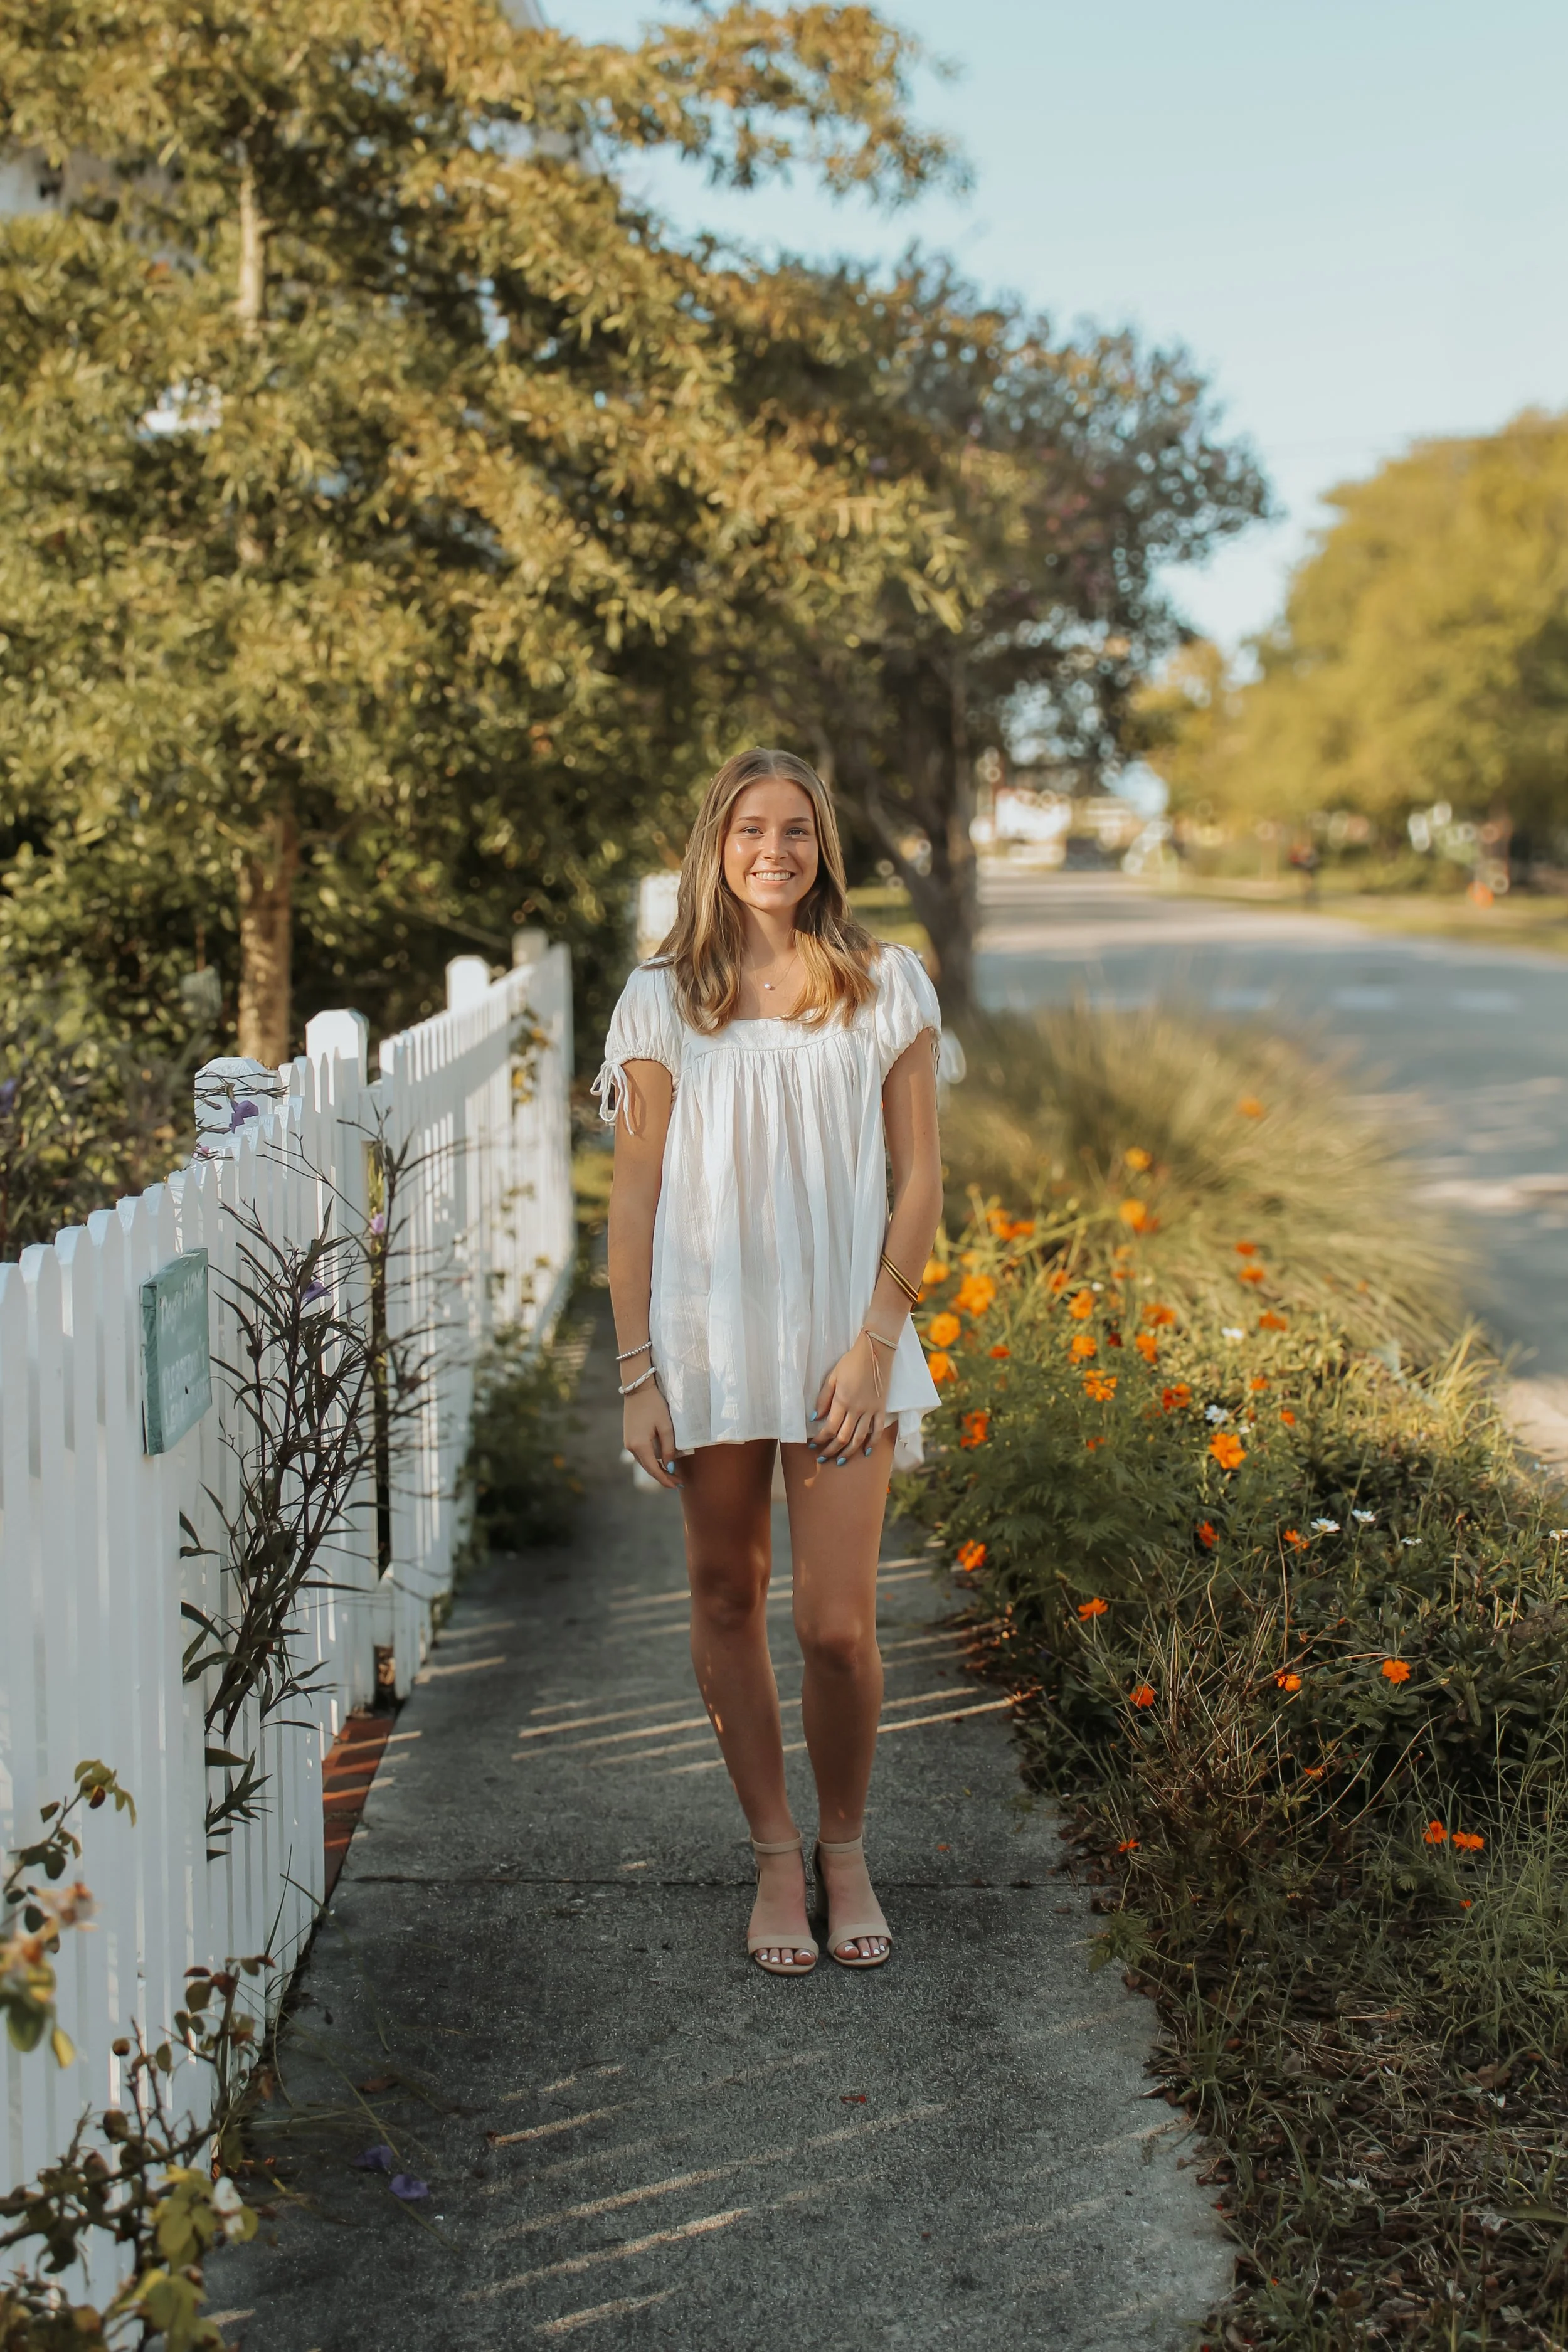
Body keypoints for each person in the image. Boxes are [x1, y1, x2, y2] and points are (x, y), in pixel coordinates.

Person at [596, 748, 945, 1975]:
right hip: (704, 1350)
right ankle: (771, 1855)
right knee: (726, 1599)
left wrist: (872, 1347)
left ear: (820, 849)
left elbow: (920, 1190)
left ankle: (843, 1849)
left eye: (794, 831)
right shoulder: (659, 1002)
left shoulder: (883, 983)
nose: (773, 852)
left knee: (838, 1627)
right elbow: (631, 1204)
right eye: (750, 829)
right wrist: (638, 1373)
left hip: (844, 1351)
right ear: (716, 843)